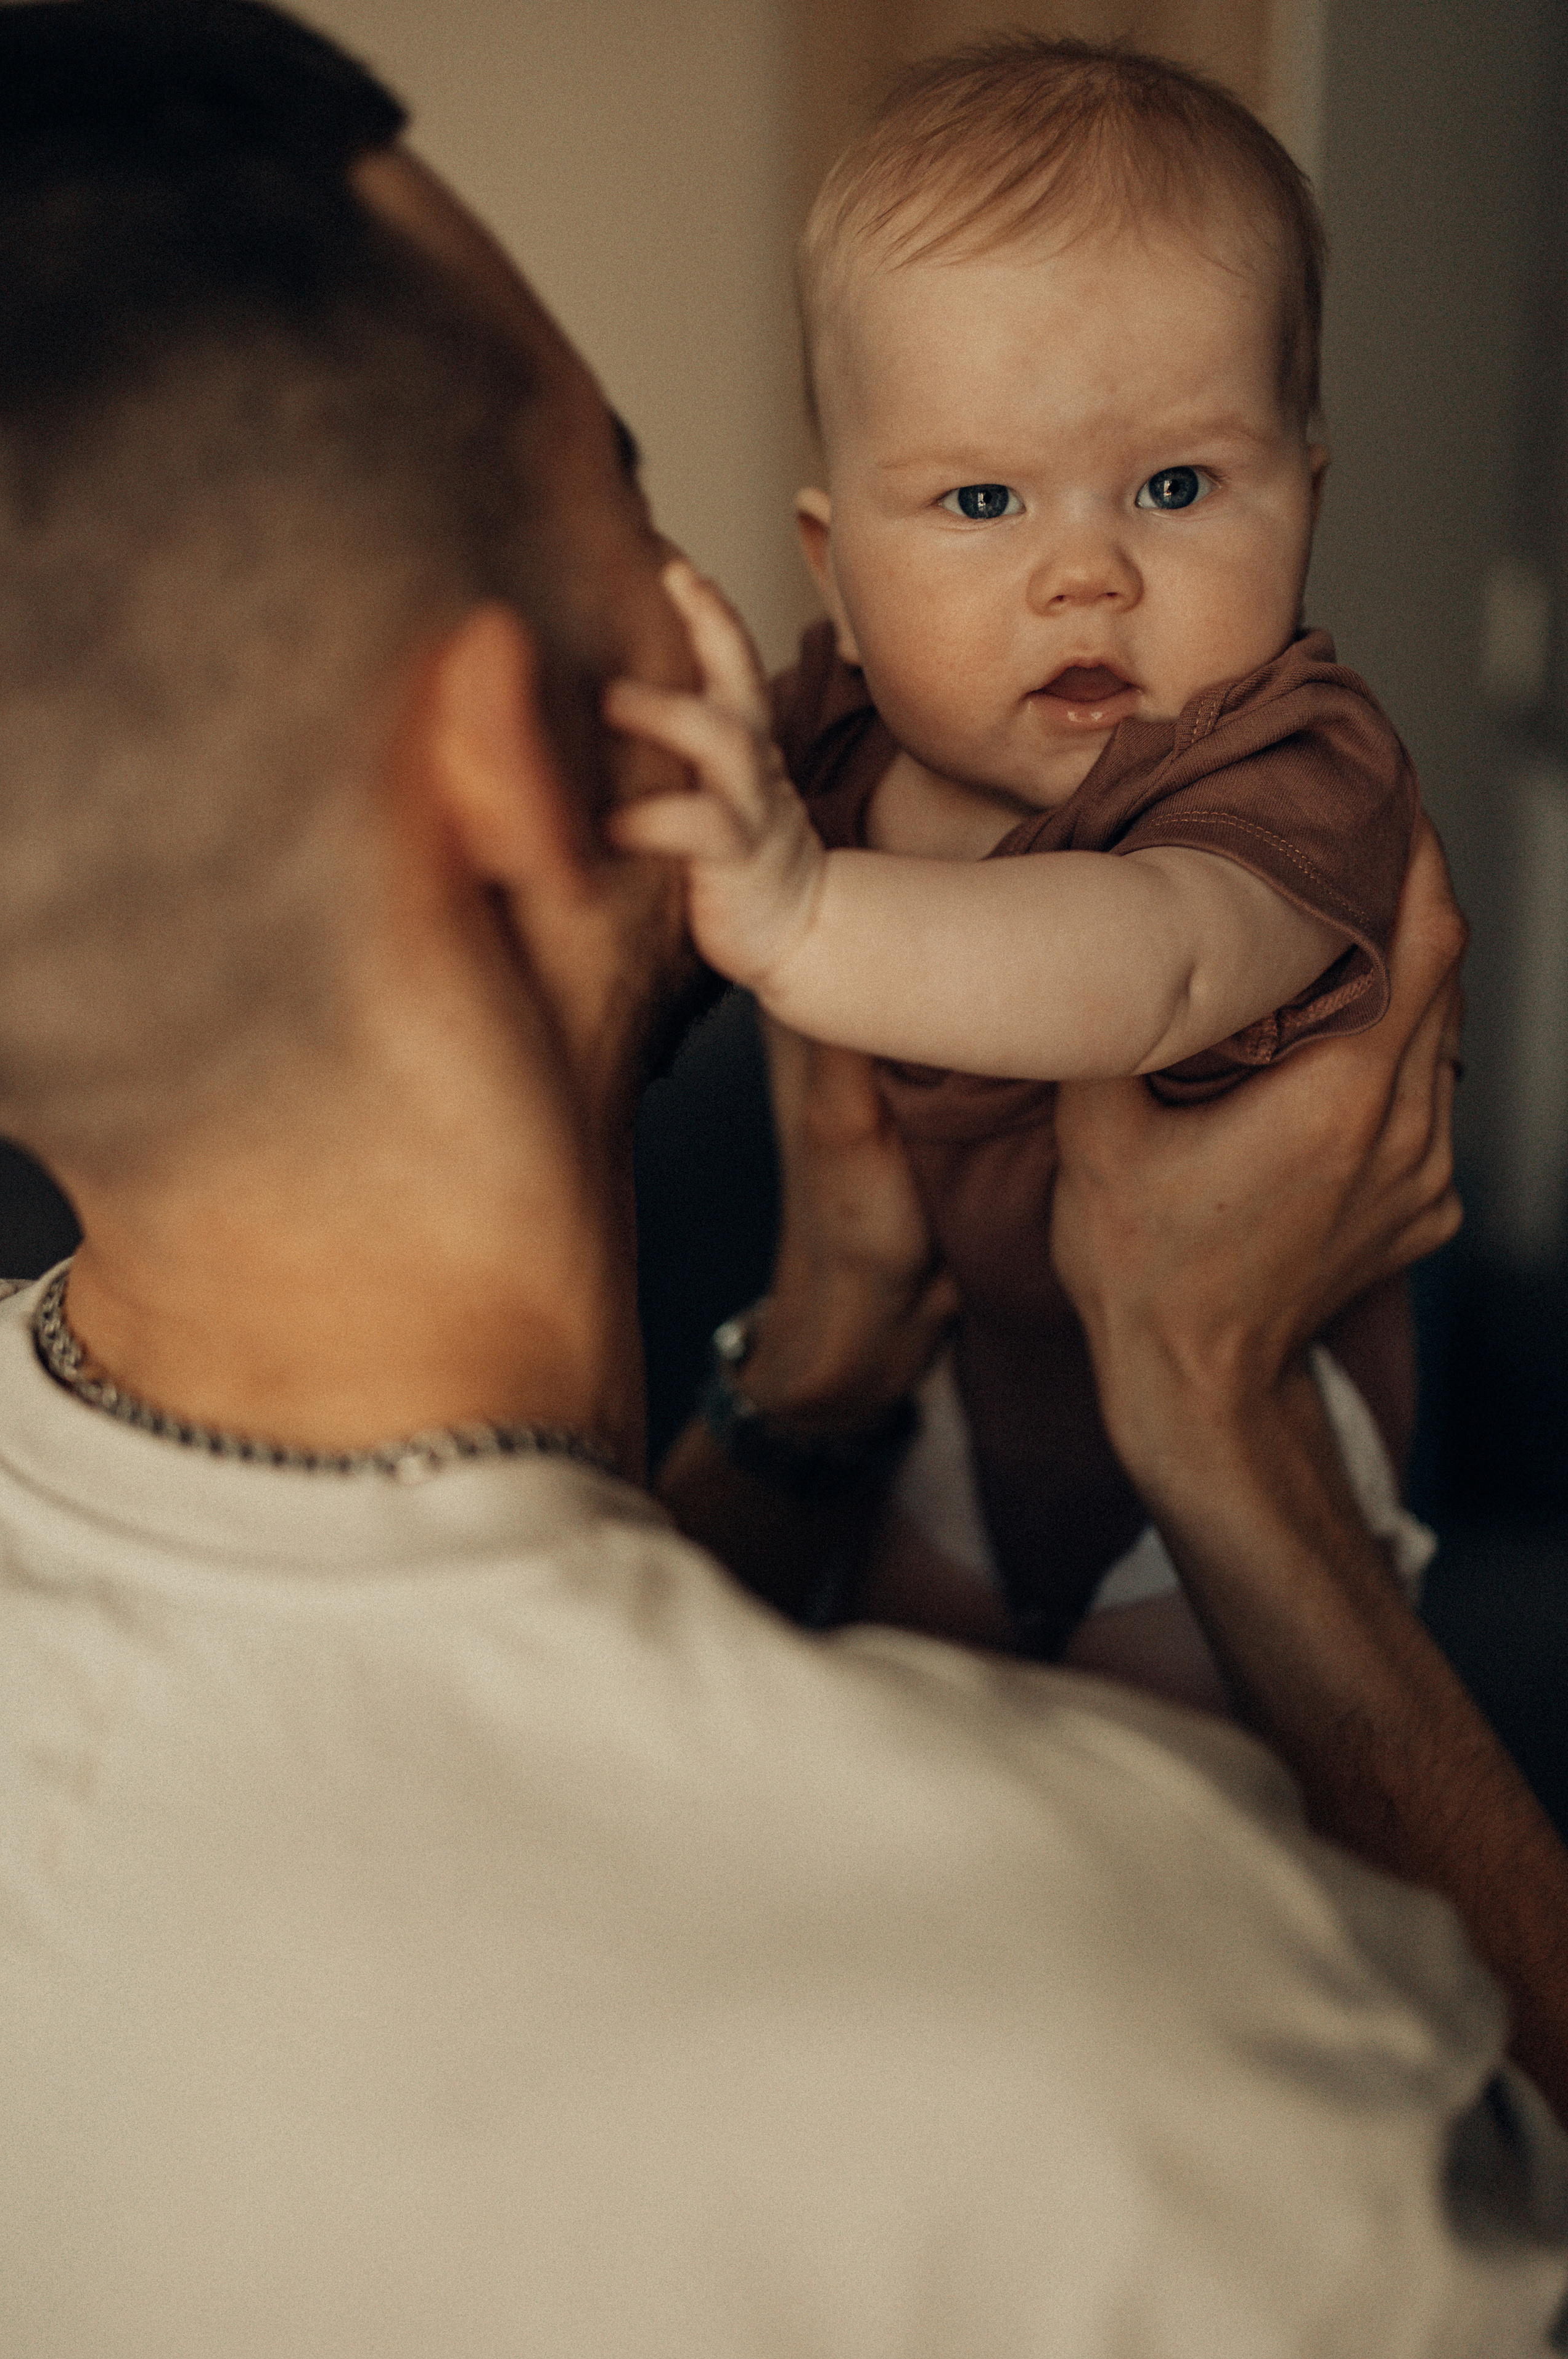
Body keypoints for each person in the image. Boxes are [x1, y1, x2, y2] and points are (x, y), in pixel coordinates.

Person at [0, 7, 1566, 2359]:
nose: (721, 598)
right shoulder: (1129, 2045)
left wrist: (822, 1363)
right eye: (628, 513)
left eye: (1170, 490)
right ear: (518, 765)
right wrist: (1219, 1433)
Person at [609, 36, 1427, 1699]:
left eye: (1179, 487)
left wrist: (805, 913)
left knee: (1178, 1824)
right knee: (928, 1751)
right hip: (955, 1409)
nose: (1086, 575)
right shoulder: (826, 740)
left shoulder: (1284, 758)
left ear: (1307, 504)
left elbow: (1157, 961)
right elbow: (631, 933)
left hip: (1256, 1427)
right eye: (983, 499)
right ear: (837, 564)